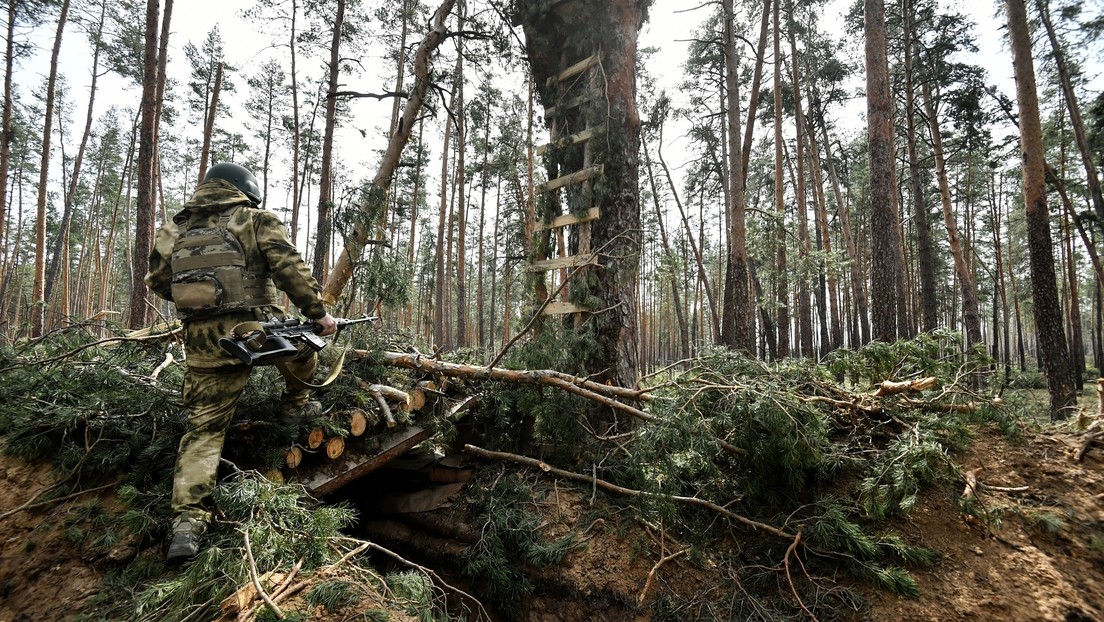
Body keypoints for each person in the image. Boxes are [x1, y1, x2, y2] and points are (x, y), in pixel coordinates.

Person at [146, 162, 338, 563]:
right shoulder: (253, 219)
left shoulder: (174, 229)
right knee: (305, 346)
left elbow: (161, 282)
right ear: (245, 191)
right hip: (256, 331)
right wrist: (319, 313)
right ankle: (293, 409)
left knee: (203, 433)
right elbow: (287, 266)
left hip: (204, 342)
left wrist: (202, 303)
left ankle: (187, 523)